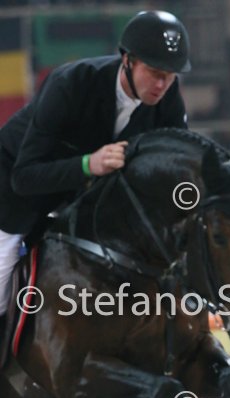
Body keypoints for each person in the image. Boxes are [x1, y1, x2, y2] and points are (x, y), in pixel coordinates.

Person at [0, 10, 190, 342]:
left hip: (80, 202)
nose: (161, 85)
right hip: (13, 192)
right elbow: (24, 177)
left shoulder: (167, 100)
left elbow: (175, 168)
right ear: (128, 60)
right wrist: (89, 164)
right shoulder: (71, 83)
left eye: (170, 76)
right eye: (154, 73)